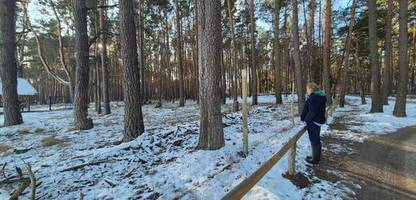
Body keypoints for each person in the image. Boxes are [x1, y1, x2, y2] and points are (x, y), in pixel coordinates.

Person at [301, 83, 327, 165]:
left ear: (311, 89)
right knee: (316, 140)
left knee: (314, 141)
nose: (307, 91)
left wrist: (306, 120)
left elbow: (313, 111)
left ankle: (315, 160)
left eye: (307, 89)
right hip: (317, 121)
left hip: (314, 122)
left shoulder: (314, 97)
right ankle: (315, 157)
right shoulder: (318, 96)